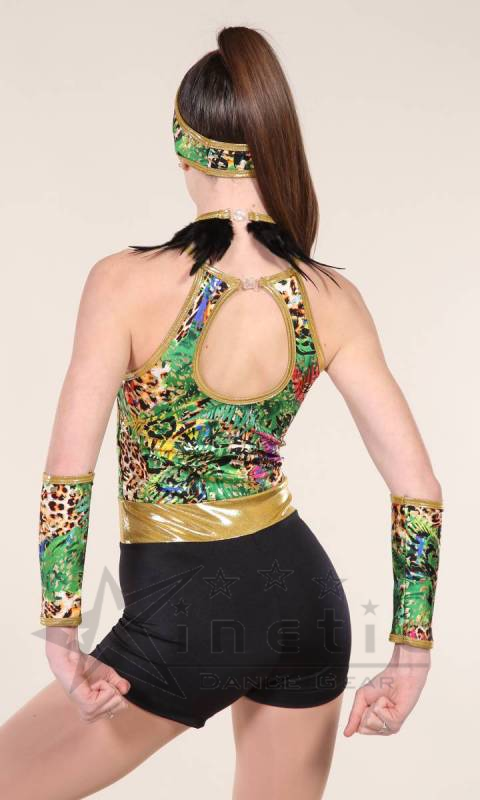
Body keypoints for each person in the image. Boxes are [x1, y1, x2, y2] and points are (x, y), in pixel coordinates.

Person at [0, 25, 443, 800]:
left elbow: (67, 476)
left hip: (188, 609)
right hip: (306, 601)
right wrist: (411, 652)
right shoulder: (331, 297)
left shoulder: (123, 283)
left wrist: (62, 630)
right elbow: (420, 491)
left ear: (184, 149)